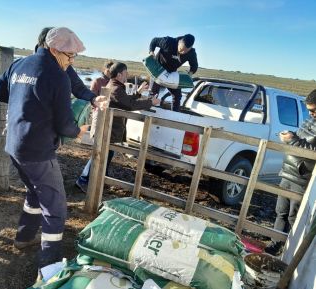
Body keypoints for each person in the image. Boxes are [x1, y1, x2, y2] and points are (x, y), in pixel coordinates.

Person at [0, 27, 89, 271]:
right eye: (70, 55)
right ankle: (49, 265)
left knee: (34, 192)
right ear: (54, 49)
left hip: (14, 144)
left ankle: (24, 237)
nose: (71, 61)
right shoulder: (57, 76)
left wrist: (22, 101)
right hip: (38, 151)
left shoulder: (20, 64)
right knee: (55, 206)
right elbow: (65, 124)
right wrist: (78, 131)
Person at [75, 62, 160, 192]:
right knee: (100, 155)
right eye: (126, 73)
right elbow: (130, 105)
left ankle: (99, 180)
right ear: (120, 74)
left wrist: (138, 93)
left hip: (107, 128)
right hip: (105, 129)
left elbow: (125, 101)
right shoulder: (116, 88)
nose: (128, 75)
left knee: (104, 155)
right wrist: (151, 102)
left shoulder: (115, 86)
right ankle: (84, 180)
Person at [265, 89, 316, 255]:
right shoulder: (310, 120)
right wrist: (291, 137)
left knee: (294, 218)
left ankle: (292, 252)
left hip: (302, 179)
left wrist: (292, 140)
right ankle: (275, 244)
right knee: (281, 211)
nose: (311, 114)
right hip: (288, 172)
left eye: (314, 110)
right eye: (309, 110)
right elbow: (301, 143)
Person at [35, 27, 108, 110]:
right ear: (48, 45)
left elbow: (77, 86)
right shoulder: (28, 66)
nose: (71, 61)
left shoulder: (63, 64)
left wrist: (93, 99)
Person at [148, 34, 198, 111]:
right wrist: (151, 52)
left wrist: (190, 74)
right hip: (158, 70)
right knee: (153, 93)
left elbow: (194, 66)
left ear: (190, 48)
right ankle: (149, 111)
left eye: (185, 51)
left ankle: (174, 115)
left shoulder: (191, 53)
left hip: (171, 72)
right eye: (181, 49)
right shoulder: (168, 41)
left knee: (177, 95)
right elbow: (154, 41)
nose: (182, 52)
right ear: (179, 42)